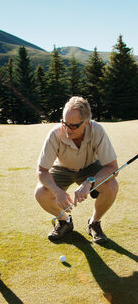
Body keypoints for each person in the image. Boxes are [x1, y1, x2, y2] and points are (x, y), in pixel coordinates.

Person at [35, 96, 119, 244]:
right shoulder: (54, 134)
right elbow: (41, 170)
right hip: (61, 168)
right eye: (64, 123)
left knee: (112, 186)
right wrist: (56, 191)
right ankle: (64, 221)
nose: (67, 129)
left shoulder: (97, 130)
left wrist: (90, 182)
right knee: (41, 193)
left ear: (86, 123)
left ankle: (94, 223)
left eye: (73, 125)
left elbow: (112, 168)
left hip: (90, 168)